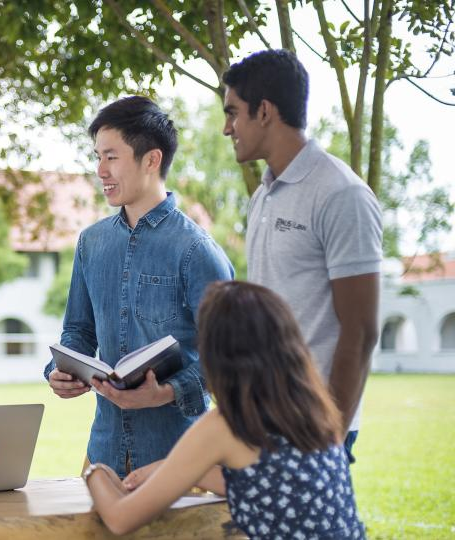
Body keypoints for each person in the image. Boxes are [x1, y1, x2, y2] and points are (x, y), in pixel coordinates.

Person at [44, 96, 235, 477]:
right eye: (97, 156)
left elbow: (229, 361)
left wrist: (165, 393)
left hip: (181, 461)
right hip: (104, 454)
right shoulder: (91, 243)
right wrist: (59, 371)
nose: (100, 170)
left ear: (151, 160)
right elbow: (78, 332)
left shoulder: (197, 251)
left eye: (111, 157)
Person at [85, 281, 366, 538]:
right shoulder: (313, 408)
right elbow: (270, 485)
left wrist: (95, 472)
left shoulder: (227, 424)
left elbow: (121, 519)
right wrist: (167, 469)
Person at [222, 49, 382, 460]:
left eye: (233, 112)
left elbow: (361, 330)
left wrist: (328, 437)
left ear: (265, 112)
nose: (227, 128)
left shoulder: (341, 194)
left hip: (315, 427)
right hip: (262, 420)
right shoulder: (262, 196)